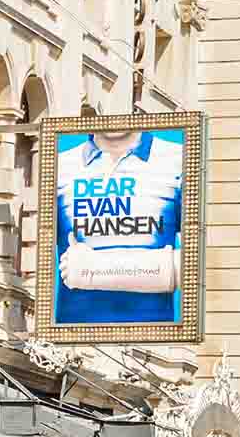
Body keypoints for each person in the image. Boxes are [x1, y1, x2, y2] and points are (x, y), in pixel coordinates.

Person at [53, 127, 184, 325]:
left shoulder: (179, 159)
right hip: (71, 341)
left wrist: (93, 270)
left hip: (154, 340)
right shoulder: (57, 165)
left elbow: (203, 263)